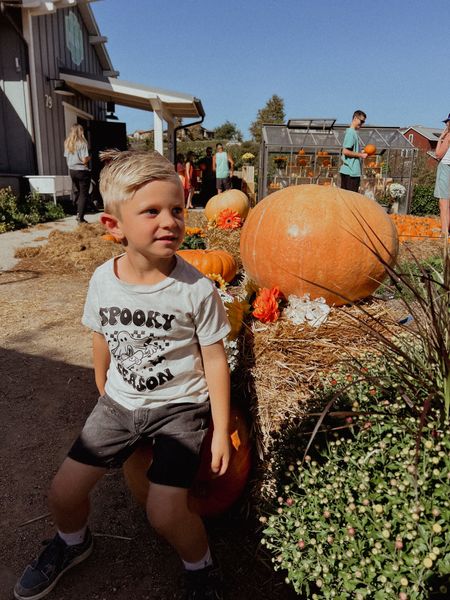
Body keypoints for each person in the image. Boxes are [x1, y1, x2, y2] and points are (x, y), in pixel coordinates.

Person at [14, 150, 231, 600]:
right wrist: (103, 387)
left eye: (176, 209)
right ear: (114, 227)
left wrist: (220, 428)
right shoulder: (102, 280)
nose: (169, 221)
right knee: (62, 493)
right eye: (151, 211)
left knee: (165, 512)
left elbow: (214, 359)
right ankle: (73, 543)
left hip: (178, 410)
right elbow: (101, 337)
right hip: (118, 405)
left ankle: (201, 568)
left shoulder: (197, 289)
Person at [64, 124, 91, 223]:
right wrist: (89, 158)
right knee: (83, 194)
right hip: (81, 170)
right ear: (79, 131)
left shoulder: (67, 143)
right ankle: (80, 218)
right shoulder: (82, 143)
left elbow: (67, 158)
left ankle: (77, 213)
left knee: (77, 192)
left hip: (72, 171)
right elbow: (84, 160)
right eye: (82, 130)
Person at [339, 110, 368, 192]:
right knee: (351, 200)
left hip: (349, 171)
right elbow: (345, 151)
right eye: (361, 121)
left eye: (363, 122)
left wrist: (360, 152)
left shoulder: (352, 132)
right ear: (355, 118)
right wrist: (361, 155)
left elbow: (349, 150)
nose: (362, 124)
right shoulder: (351, 133)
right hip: (351, 173)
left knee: (346, 200)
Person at [434, 113, 450, 235]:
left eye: (447, 122)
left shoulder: (449, 136)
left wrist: (440, 139)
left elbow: (438, 154)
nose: (446, 124)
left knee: (444, 203)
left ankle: (444, 233)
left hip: (445, 168)